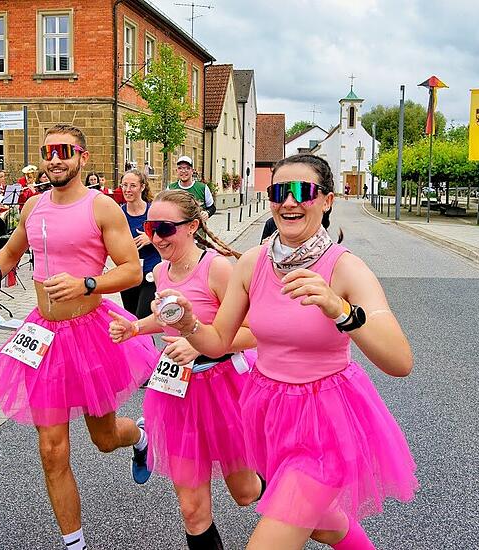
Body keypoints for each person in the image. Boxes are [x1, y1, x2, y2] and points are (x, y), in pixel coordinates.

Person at [155, 154, 417, 549]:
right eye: (280, 191)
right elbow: (218, 342)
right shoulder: (252, 263)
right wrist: (188, 324)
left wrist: (341, 310)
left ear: (327, 200)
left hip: (323, 422)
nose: (289, 201)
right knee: (323, 524)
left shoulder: (345, 268)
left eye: (303, 191)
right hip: (269, 415)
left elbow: (400, 361)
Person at [0, 124, 157, 550]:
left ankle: (139, 436)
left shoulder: (102, 208)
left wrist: (88, 284)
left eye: (63, 151)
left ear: (82, 157)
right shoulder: (33, 207)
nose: (54, 158)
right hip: (42, 335)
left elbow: (132, 270)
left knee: (103, 440)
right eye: (47, 151)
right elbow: (10, 253)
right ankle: (74, 543)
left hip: (90, 333)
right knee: (51, 449)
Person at [109, 189, 262, 549]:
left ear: (192, 226)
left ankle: (284, 500)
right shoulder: (161, 271)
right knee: (192, 509)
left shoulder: (218, 269)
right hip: (177, 392)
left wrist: (199, 343)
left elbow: (255, 332)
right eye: (150, 228)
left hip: (224, 387)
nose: (156, 238)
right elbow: (167, 319)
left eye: (165, 228)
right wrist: (134, 327)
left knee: (243, 492)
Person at [118, 169, 160, 319]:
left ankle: (147, 343)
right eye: (124, 185)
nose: (127, 190)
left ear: (142, 187)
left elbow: (171, 237)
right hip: (128, 273)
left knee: (142, 317)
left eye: (132, 186)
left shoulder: (154, 211)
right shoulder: (118, 214)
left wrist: (152, 238)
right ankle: (142, 344)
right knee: (131, 319)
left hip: (150, 273)